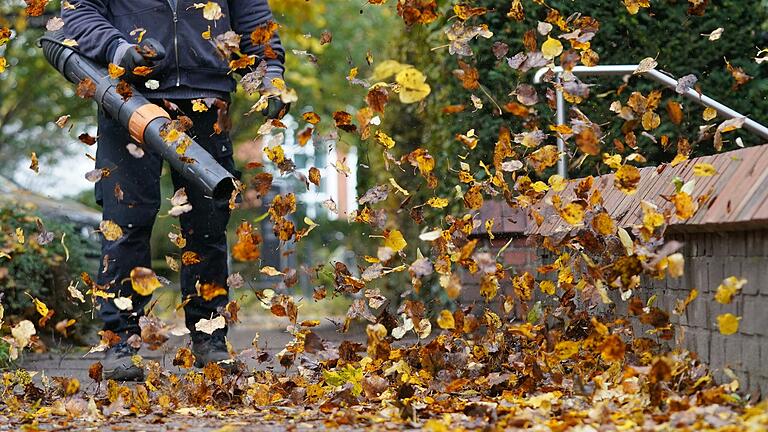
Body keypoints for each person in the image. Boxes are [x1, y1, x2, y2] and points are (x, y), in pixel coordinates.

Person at [62, 0, 287, 381]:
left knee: (209, 222)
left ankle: (209, 335)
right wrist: (119, 49)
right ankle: (121, 340)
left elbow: (253, 17)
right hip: (128, 96)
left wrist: (270, 74)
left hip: (208, 97)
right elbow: (80, 9)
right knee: (126, 221)